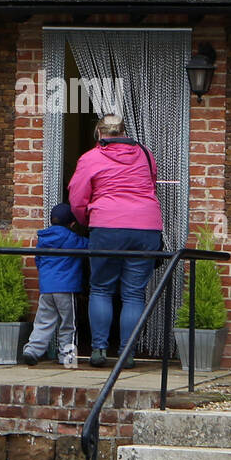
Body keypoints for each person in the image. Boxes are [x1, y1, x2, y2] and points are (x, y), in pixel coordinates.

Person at [68, 113, 164, 369]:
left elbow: (77, 199)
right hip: (146, 227)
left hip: (107, 226)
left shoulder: (91, 158)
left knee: (101, 288)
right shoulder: (145, 154)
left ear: (99, 134)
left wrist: (86, 220)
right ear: (123, 132)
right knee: (133, 293)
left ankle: (99, 349)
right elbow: (151, 185)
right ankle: (127, 353)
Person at [22, 203, 88, 367]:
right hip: (67, 288)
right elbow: (91, 246)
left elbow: (38, 260)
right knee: (68, 324)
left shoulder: (43, 239)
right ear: (72, 223)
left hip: (47, 288)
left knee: (44, 321)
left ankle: (32, 350)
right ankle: (67, 358)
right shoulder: (72, 238)